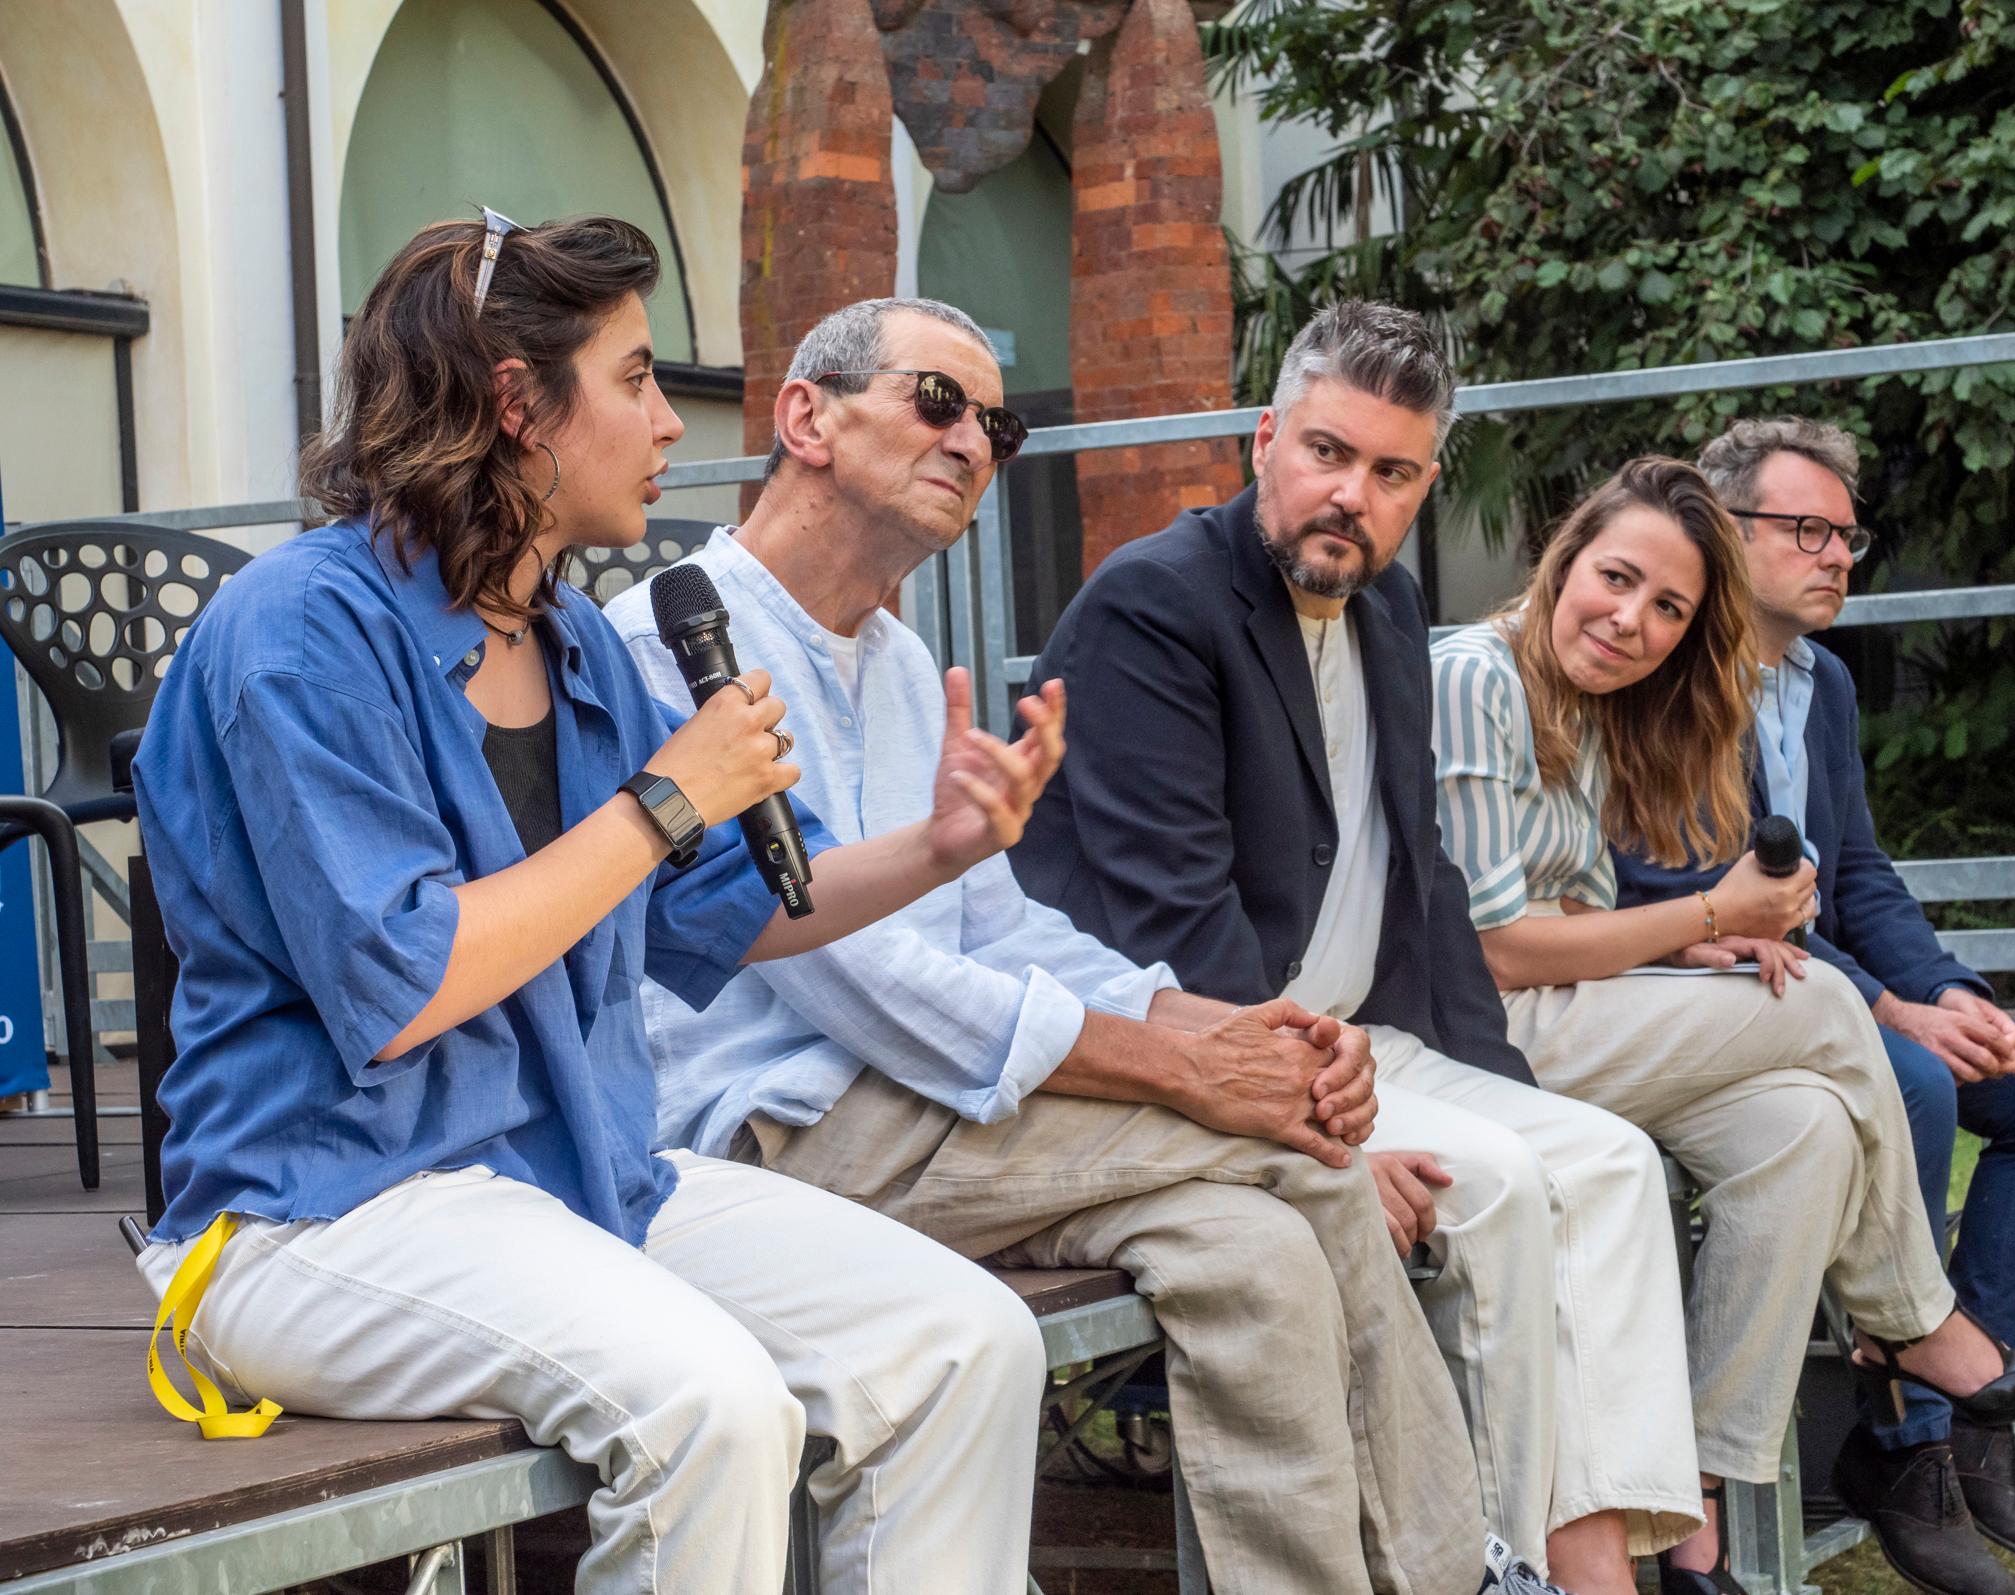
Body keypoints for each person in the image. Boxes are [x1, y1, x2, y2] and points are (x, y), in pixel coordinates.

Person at [129, 215, 1064, 1595]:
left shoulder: (571, 641)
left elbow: (733, 908)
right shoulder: (299, 627)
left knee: (966, 1337)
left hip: (571, 1178)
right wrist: (665, 797)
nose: (669, 422)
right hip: (319, 1212)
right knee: (709, 1404)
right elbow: (405, 984)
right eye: (633, 378)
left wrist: (938, 843)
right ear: (517, 403)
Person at [612, 295, 1533, 1595]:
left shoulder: (888, 651)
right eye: (938, 400)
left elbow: (994, 920)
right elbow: (843, 969)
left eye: (1000, 423)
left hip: (924, 1110)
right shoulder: (677, 634)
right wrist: (1184, 1072)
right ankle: (1455, 1574)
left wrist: (1221, 1027)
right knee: (1310, 1159)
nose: (973, 441)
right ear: (804, 415)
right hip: (774, 1125)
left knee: (1254, 1253)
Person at [1009, 300, 1701, 1595]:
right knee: (1487, 1184)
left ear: (1423, 481)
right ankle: (1482, 1564)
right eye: (1327, 451)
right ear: (1265, 437)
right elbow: (1171, 924)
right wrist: (1317, 1133)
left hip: (1354, 1034)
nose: (1351, 494)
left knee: (1603, 1159)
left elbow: (1426, 878)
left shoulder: (1386, 608)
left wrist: (1504, 1080)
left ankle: (1589, 1564)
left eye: (1389, 471)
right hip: (1189, 1046)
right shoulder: (1153, 608)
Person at [1421, 452, 2015, 1595]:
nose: (1632, 621)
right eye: (1615, 579)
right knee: (1817, 995)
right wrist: (1713, 907)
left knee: (1806, 1125)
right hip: (1472, 1035)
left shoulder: (1579, 695)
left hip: (1561, 1010)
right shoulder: (1474, 674)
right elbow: (1495, 946)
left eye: (1666, 607)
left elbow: (1574, 906)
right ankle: (1915, 1321)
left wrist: (1682, 941)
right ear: (1563, 556)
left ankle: (1697, 1511)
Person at [1613, 416, 2015, 1593]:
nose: (1836, 555)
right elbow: (1691, 892)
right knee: (1915, 1077)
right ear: (1723, 536)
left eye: (1846, 534)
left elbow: (1859, 874)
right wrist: (1891, 1011)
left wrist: (1945, 989)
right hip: (1712, 988)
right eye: (1805, 530)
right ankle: (1903, 1442)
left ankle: (1971, 1422)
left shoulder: (1820, 681)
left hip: (1834, 982)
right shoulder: (1667, 670)